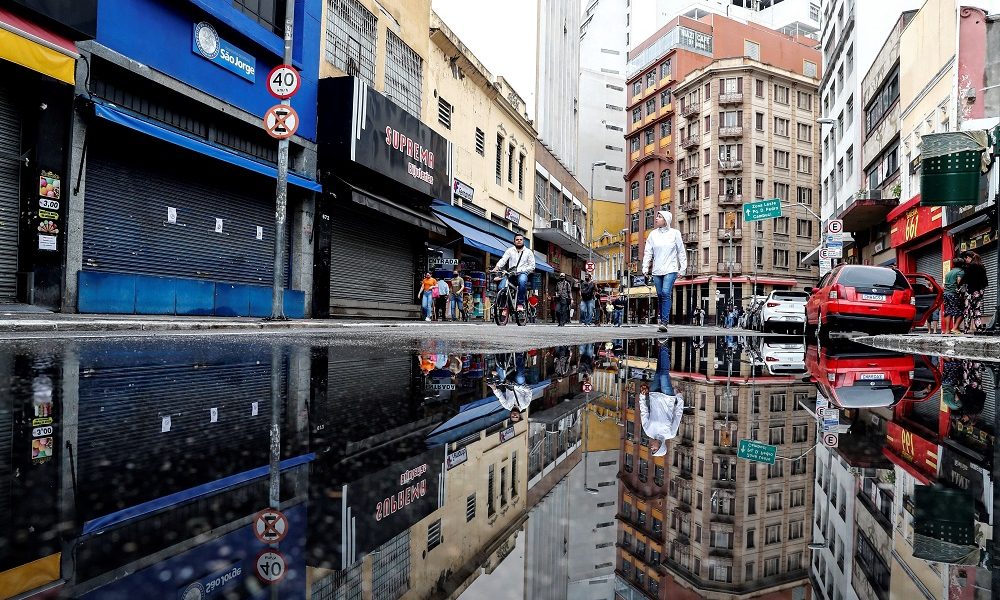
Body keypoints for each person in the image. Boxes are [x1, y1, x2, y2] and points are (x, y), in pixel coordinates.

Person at [642, 210, 687, 333]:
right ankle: (662, 319)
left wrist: (683, 268)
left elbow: (681, 251)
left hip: (671, 269)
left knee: (666, 293)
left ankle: (664, 322)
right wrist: (645, 267)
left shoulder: (675, 233)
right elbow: (648, 252)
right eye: (657, 216)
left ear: (666, 220)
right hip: (657, 270)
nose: (656, 218)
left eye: (659, 217)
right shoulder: (653, 234)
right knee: (660, 295)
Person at [639, 339, 684, 456]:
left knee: (658, 372)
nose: (651, 448)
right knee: (664, 375)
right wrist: (679, 397)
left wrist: (642, 397)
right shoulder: (670, 433)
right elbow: (678, 415)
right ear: (660, 447)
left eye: (651, 450)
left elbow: (644, 412)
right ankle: (664, 345)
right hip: (667, 397)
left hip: (654, 395)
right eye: (654, 450)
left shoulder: (648, 431)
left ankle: (661, 347)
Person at [491, 234, 535, 312]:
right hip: (511, 273)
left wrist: (521, 270)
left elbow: (532, 266)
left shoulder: (528, 252)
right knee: (501, 287)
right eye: (517, 240)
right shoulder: (510, 250)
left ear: (523, 241)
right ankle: (504, 306)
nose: (519, 241)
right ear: (514, 241)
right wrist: (497, 267)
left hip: (522, 273)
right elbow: (503, 260)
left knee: (522, 281)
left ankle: (520, 304)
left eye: (520, 239)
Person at [489, 353, 531, 422]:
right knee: (520, 376)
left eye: (513, 417)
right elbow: (529, 391)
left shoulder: (507, 406)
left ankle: (500, 356)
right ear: (519, 415)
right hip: (519, 384)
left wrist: (494, 389)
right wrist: (517, 386)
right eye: (516, 417)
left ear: (510, 415)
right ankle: (519, 355)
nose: (514, 415)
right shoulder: (525, 405)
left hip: (508, 382)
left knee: (498, 376)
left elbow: (500, 396)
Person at [958, 250, 988, 333]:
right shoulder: (982, 267)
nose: (966, 261)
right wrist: (981, 289)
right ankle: (979, 327)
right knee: (977, 309)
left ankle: (966, 329)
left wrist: (959, 287)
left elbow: (965, 279)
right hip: (979, 292)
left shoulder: (970, 267)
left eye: (965, 259)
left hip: (971, 291)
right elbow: (985, 281)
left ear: (968, 257)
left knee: (967, 309)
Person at [942, 257, 966, 334]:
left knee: (948, 311)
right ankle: (955, 328)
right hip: (954, 293)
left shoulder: (949, 273)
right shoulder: (960, 272)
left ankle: (947, 330)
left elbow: (944, 284)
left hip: (946, 293)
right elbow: (959, 282)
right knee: (962, 311)